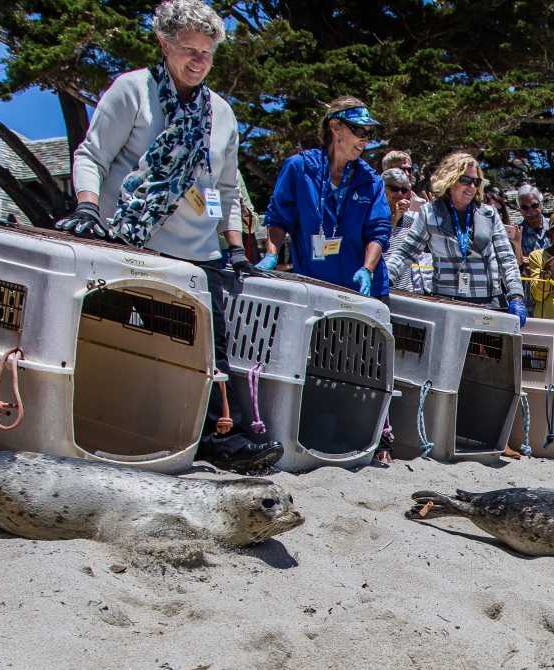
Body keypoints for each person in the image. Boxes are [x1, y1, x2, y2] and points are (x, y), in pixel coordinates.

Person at [58, 0, 281, 472]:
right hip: (134, 244)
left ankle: (220, 439)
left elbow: (221, 189)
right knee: (133, 345)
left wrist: (235, 245)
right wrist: (87, 205)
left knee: (210, 352)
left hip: (198, 256)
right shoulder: (132, 90)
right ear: (163, 43)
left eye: (207, 52)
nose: (199, 61)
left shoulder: (221, 114)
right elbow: (92, 156)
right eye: (189, 50)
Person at [259, 97, 390, 299]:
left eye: (370, 133)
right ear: (335, 127)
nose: (365, 140)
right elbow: (278, 218)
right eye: (359, 131)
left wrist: (367, 269)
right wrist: (271, 255)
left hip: (363, 293)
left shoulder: (371, 181)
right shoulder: (299, 168)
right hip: (314, 289)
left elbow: (378, 232)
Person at [382, 152, 526, 325]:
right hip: (447, 305)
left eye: (476, 182)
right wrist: (384, 278)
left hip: (489, 305)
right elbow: (405, 253)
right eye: (465, 180)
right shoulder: (430, 213)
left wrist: (516, 295)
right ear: (450, 180)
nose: (472, 186)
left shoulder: (490, 214)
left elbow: (507, 259)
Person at [515, 183, 550, 258]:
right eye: (525, 207)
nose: (531, 212)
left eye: (534, 205)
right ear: (520, 210)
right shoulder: (516, 234)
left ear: (541, 205)